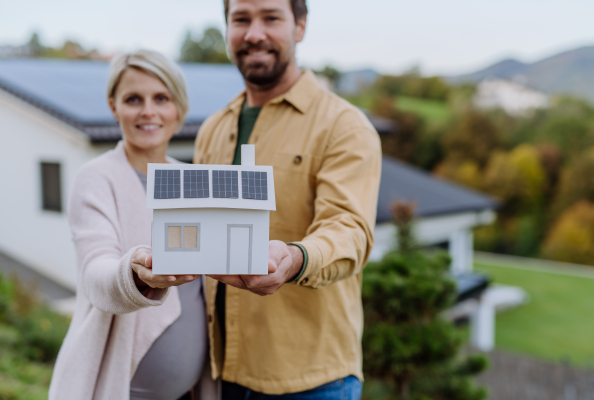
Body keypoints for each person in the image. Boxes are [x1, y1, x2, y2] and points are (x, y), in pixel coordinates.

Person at [193, 0, 382, 398]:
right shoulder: (212, 129)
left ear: (300, 26)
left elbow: (349, 231)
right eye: (240, 19)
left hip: (311, 380)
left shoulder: (344, 127)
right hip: (219, 373)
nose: (254, 33)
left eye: (271, 18)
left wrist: (295, 258)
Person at [49, 50, 219, 400]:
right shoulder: (96, 178)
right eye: (133, 99)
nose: (147, 111)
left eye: (161, 98)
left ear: (179, 109)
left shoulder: (194, 182)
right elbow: (95, 271)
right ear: (114, 107)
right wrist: (134, 274)